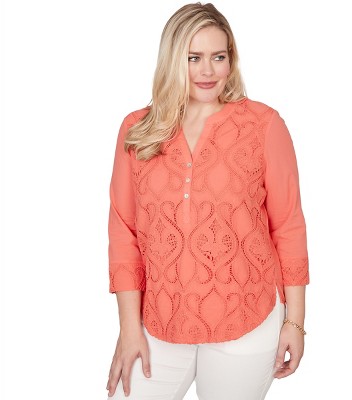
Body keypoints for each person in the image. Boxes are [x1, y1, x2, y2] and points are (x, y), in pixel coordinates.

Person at [106, 2, 309, 399]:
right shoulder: (138, 129)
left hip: (246, 318)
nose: (208, 71)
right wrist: (129, 328)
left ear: (231, 60)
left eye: (219, 57)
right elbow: (123, 231)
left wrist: (296, 322)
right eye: (193, 57)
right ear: (172, 60)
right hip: (159, 320)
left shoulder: (263, 125)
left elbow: (288, 226)